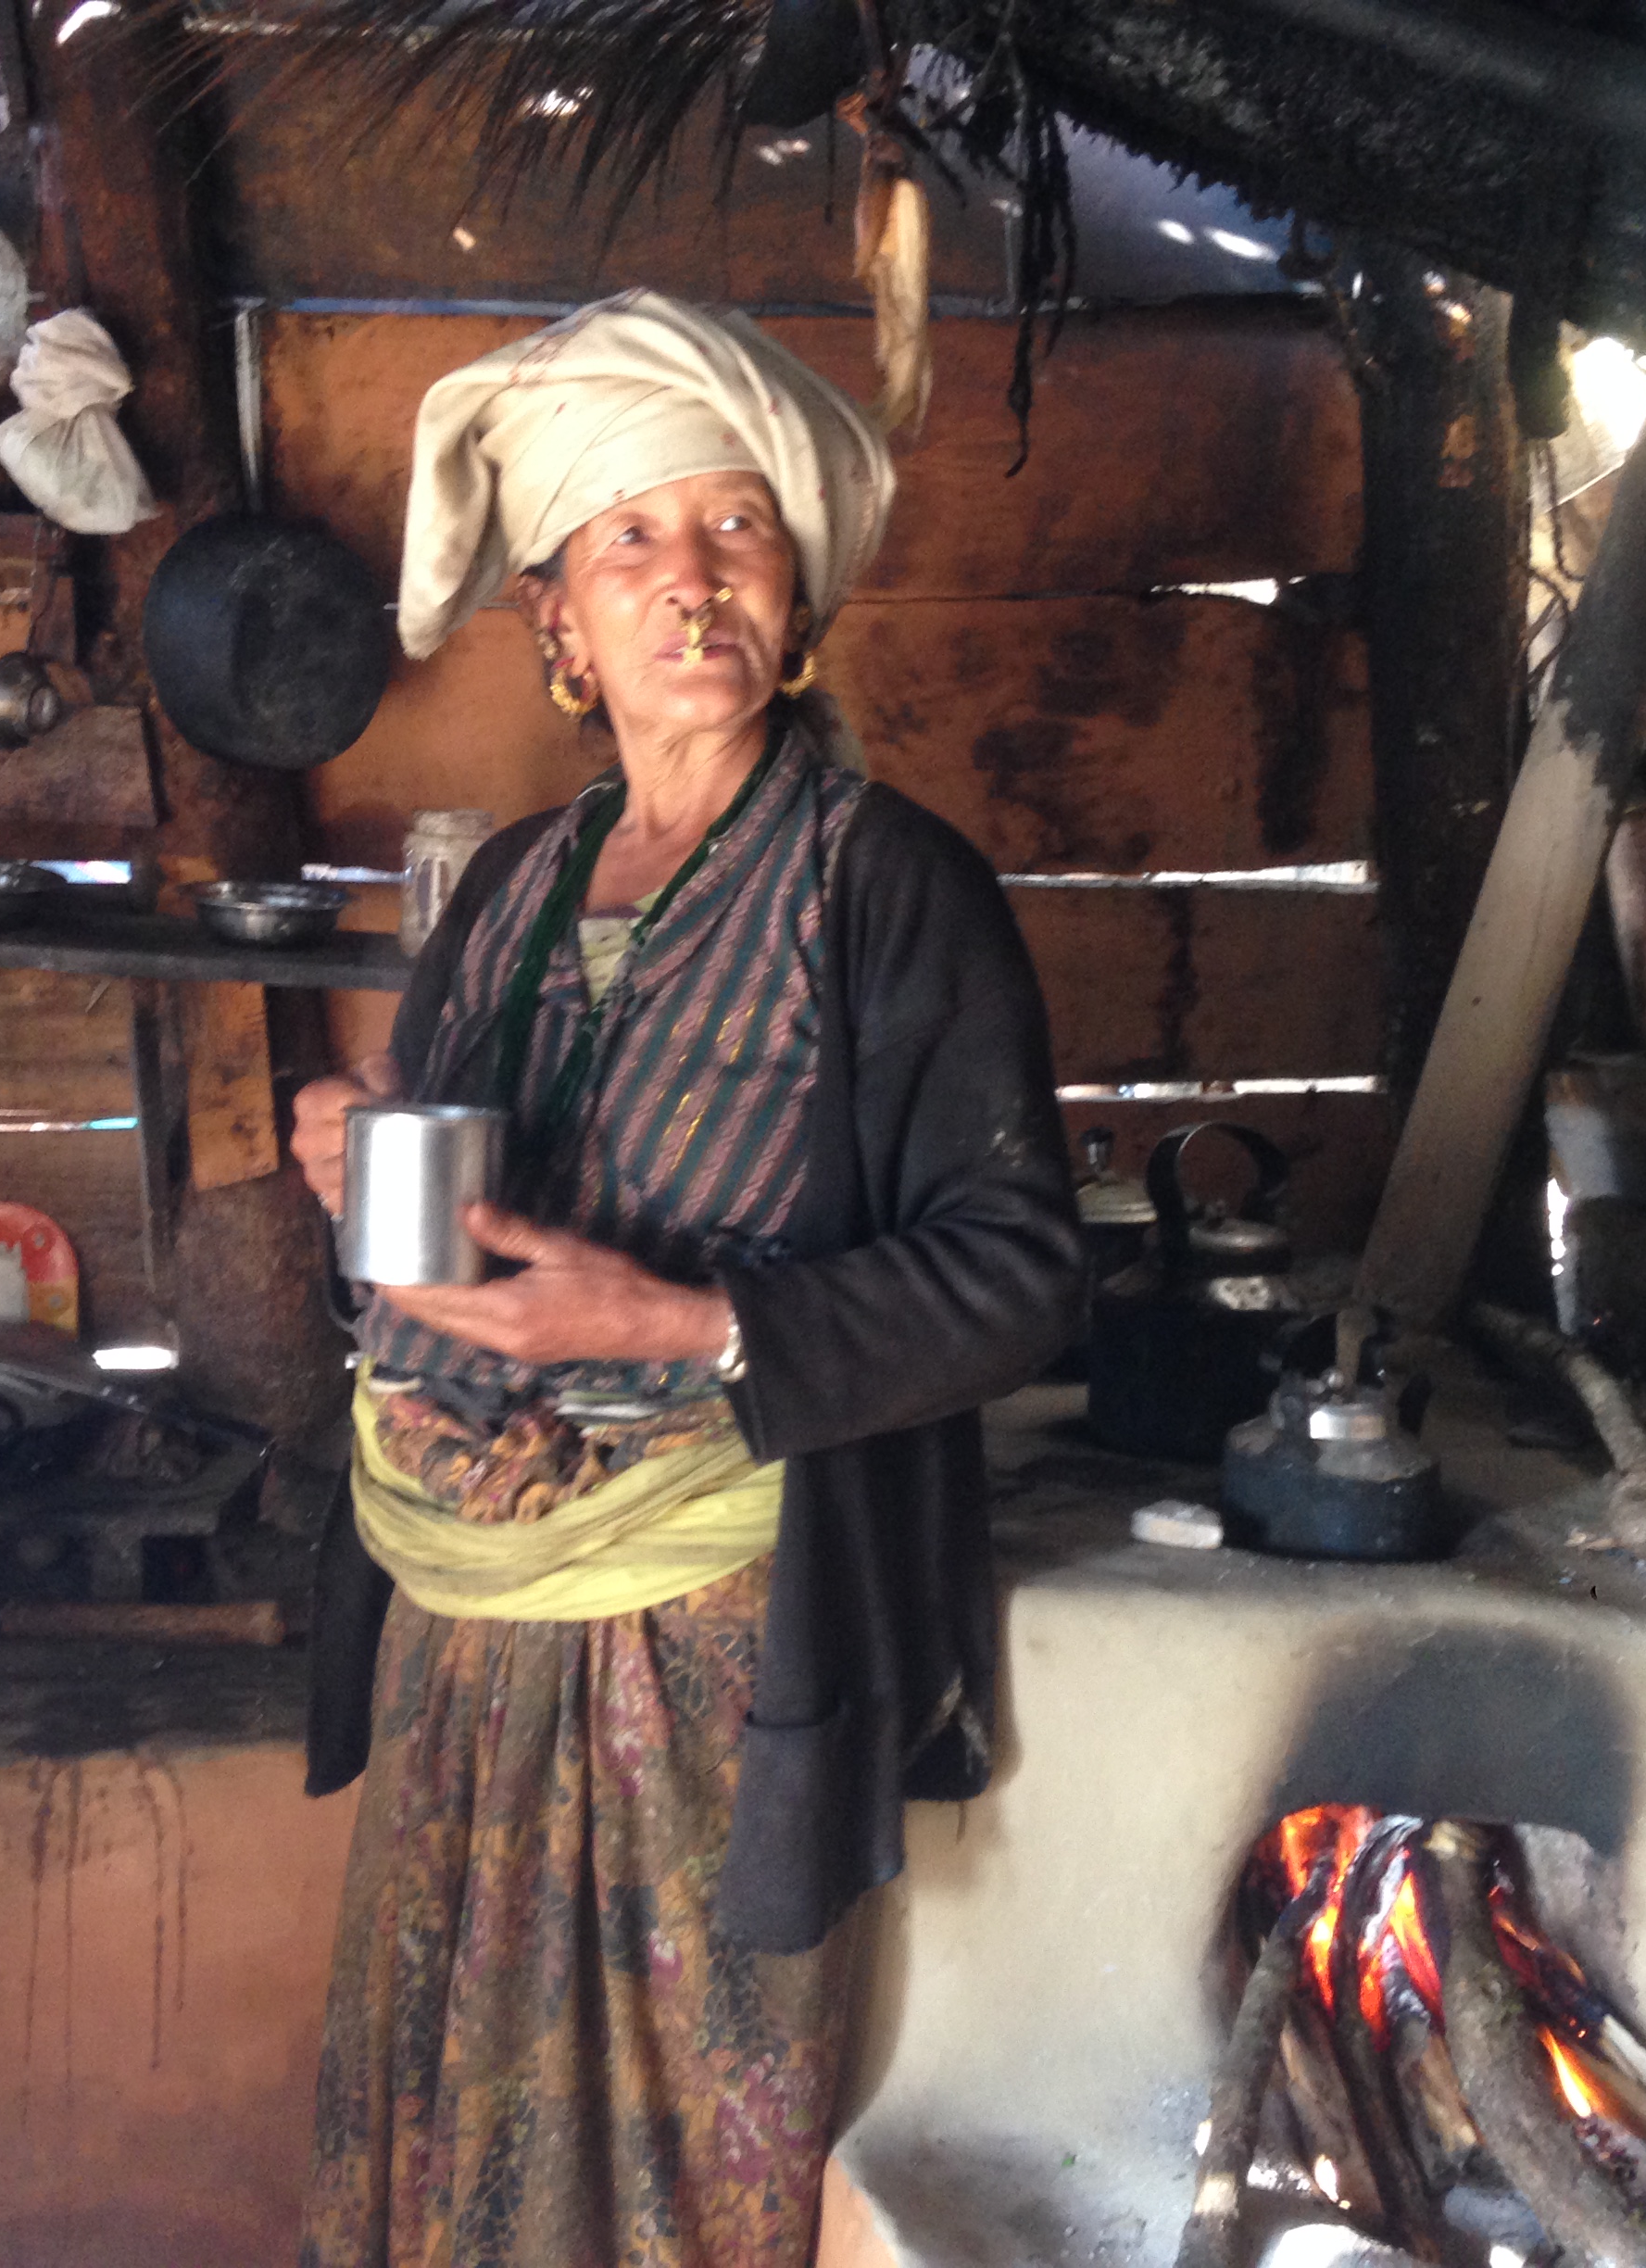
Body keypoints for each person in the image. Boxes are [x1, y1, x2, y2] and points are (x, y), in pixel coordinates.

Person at [291, 288, 1085, 2268]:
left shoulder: (890, 885)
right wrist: (355, 1164)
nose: (692, 580)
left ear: (798, 590)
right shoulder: (514, 886)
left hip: (713, 1635)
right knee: (441, 2115)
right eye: (631, 538)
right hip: (462, 1616)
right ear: (555, 617)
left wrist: (679, 1322)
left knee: (668, 2159)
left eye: (738, 529)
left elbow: (1021, 1275)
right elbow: (463, 1215)